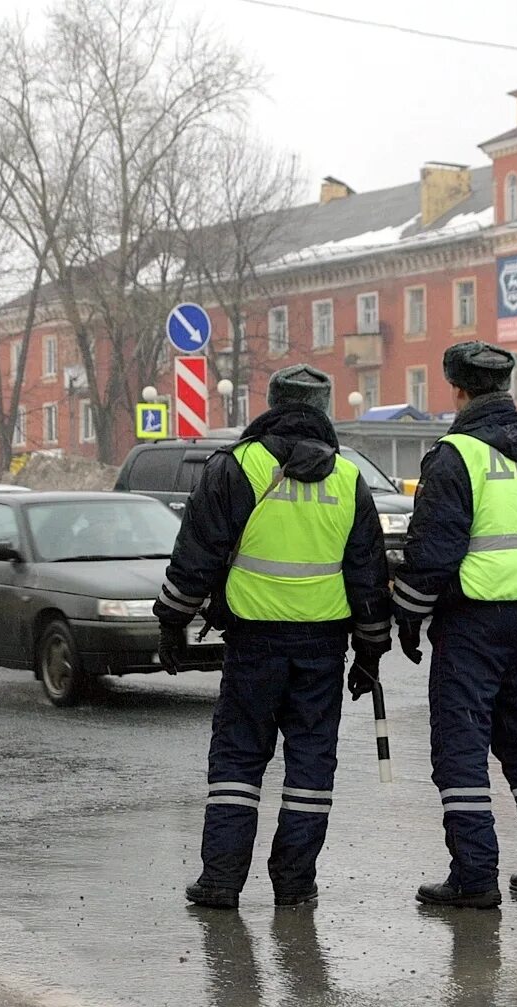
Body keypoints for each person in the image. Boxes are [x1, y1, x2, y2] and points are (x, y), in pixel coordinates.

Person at [155, 364, 393, 910]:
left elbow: (196, 555)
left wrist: (172, 621)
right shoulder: (348, 479)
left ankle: (220, 880)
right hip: (322, 648)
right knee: (311, 765)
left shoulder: (238, 467)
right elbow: (367, 575)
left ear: (271, 403)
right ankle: (294, 882)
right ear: (324, 410)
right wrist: (371, 650)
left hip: (253, 644)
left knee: (239, 761)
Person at [392, 341, 517, 909]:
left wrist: (408, 613)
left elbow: (433, 552)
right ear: (506, 387)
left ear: (458, 391)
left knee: (461, 749)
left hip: (471, 624)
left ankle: (474, 877)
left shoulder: (456, 456)